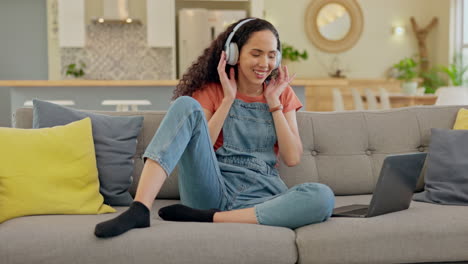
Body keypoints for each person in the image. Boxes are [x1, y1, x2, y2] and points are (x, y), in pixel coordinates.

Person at [94, 17, 335, 238]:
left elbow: (292, 157)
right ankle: (140, 208)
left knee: (322, 196)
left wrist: (274, 103)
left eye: (272, 55)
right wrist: (227, 100)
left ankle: (213, 219)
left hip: (264, 197)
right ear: (234, 54)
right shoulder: (213, 91)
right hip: (212, 190)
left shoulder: (283, 95)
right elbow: (201, 149)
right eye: (256, 53)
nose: (265, 63)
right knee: (185, 104)